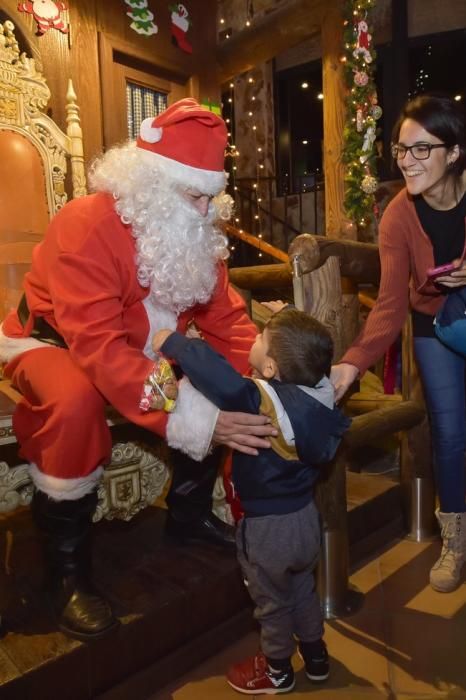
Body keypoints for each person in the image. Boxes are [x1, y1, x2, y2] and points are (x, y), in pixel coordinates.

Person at [0, 98, 276, 640]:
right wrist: (196, 418)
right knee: (75, 399)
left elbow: (229, 323)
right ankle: (66, 574)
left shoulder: (195, 234)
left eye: (209, 196)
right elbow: (98, 347)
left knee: (221, 372)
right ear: (150, 183)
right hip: (52, 340)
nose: (203, 211)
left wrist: (276, 378)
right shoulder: (87, 224)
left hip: (140, 346)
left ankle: (189, 518)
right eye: (191, 194)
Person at [153, 305, 350, 695]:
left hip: (266, 529)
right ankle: (316, 657)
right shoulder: (321, 395)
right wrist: (289, 318)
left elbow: (224, 382)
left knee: (272, 602)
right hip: (305, 519)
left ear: (272, 368)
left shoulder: (262, 400)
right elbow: (305, 352)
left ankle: (277, 670)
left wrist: (174, 343)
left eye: (261, 339)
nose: (254, 339)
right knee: (302, 590)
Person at [331, 94, 466, 593]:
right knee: (450, 434)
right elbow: (389, 304)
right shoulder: (397, 216)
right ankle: (455, 540)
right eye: (400, 150)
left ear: (453, 152)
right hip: (434, 326)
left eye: (421, 149)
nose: (407, 160)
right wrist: (351, 364)